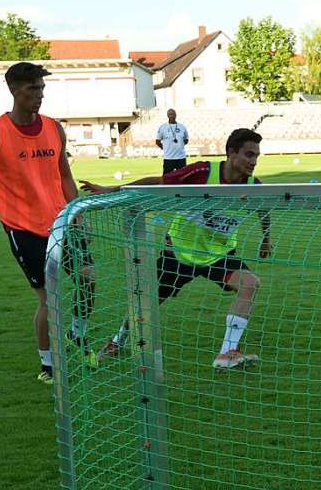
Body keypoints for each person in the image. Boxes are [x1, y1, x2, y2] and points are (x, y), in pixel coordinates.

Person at [81, 128, 270, 370]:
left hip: (218, 255)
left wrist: (266, 237)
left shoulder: (255, 186)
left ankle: (227, 353)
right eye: (249, 155)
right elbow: (157, 184)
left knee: (250, 284)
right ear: (231, 153)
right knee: (148, 301)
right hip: (179, 252)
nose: (254, 162)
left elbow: (265, 209)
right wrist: (111, 190)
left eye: (256, 156)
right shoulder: (203, 171)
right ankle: (117, 341)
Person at [0, 62, 93, 385]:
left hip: (62, 222)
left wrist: (76, 211)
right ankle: (48, 365)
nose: (40, 94)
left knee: (89, 281)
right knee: (49, 298)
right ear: (13, 90)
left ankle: (76, 334)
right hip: (24, 227)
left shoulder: (53, 127)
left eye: (42, 88)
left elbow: (64, 174)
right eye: (33, 88)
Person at [156, 109, 189, 175]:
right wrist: (164, 148)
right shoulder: (163, 127)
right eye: (170, 114)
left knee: (183, 178)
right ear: (167, 116)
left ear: (176, 115)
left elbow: (186, 139)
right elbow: (157, 141)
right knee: (166, 179)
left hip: (181, 157)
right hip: (168, 158)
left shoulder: (182, 127)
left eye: (173, 114)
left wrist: (180, 145)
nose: (172, 116)